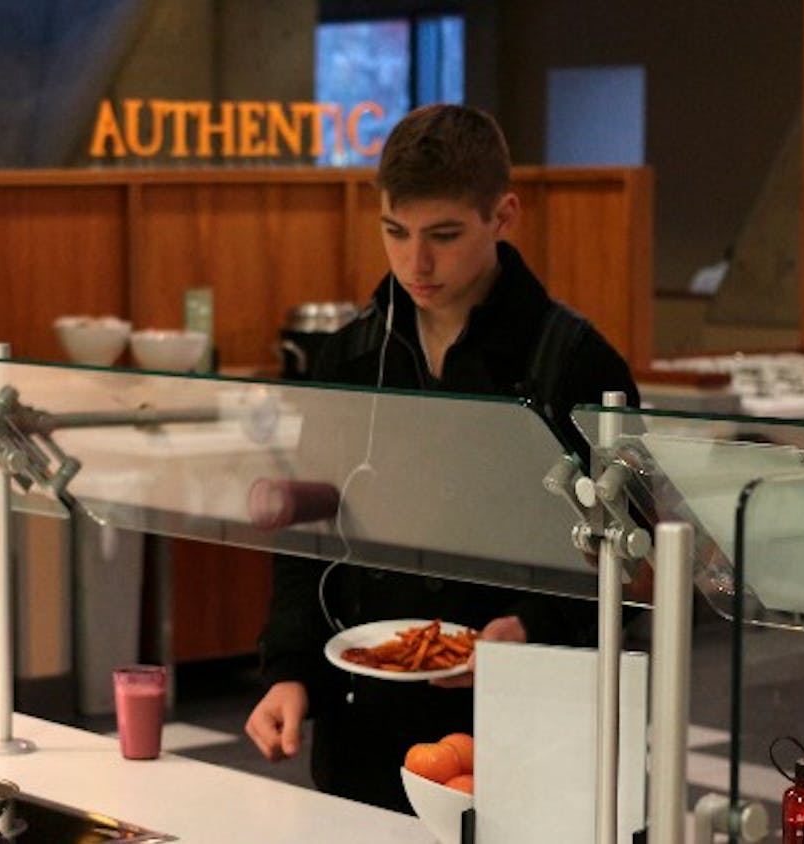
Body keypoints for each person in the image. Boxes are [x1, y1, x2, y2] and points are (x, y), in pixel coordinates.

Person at [244, 103, 640, 813]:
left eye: (444, 236)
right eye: (395, 233)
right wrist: (291, 672)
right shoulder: (349, 354)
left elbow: (625, 562)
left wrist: (532, 628)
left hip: (522, 732)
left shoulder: (576, 364)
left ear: (504, 215)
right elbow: (306, 543)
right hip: (365, 734)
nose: (414, 263)